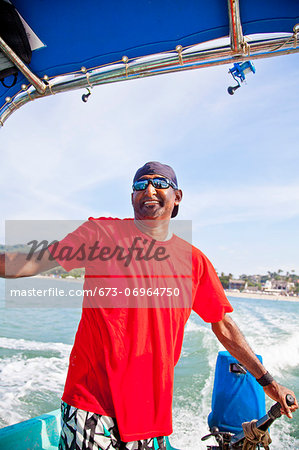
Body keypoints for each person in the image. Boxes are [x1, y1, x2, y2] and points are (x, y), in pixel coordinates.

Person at [1, 161, 297, 450]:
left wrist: (268, 383)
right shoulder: (101, 235)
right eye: (140, 185)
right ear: (132, 197)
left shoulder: (194, 262)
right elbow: (32, 260)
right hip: (91, 402)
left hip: (149, 411)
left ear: (177, 196)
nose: (149, 190)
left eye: (160, 183)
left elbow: (223, 326)